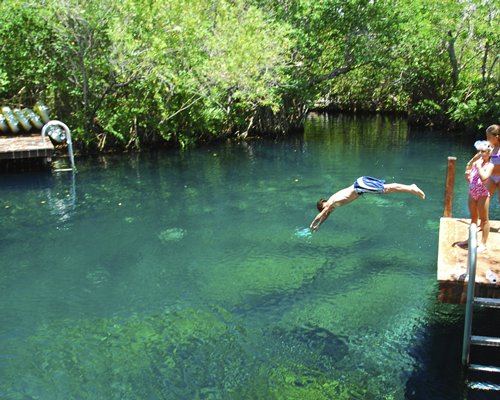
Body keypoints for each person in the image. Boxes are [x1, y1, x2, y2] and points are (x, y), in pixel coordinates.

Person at [309, 176, 426, 232]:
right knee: (387, 189)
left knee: (386, 189)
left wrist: (313, 223)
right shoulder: (331, 205)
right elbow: (325, 215)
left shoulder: (331, 202)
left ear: (324, 204)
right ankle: (410, 188)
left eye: (324, 208)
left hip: (360, 186)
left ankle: (411, 188)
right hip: (361, 184)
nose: (327, 210)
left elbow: (323, 214)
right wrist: (319, 225)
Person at [460, 140, 494, 252]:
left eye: (483, 152)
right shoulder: (477, 162)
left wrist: (478, 167)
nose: (481, 153)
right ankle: (470, 239)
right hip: (472, 192)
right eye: (480, 151)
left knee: (484, 219)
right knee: (473, 218)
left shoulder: (490, 165)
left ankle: (483, 244)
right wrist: (468, 169)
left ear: (489, 153)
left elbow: (484, 177)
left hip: (483, 194)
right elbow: (468, 170)